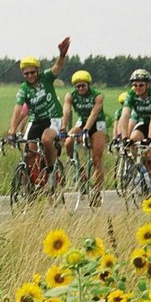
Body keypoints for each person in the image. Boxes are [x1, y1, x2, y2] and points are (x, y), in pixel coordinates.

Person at [5, 37, 71, 178]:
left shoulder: (46, 77)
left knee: (46, 140)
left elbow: (57, 67)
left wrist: (62, 55)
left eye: (32, 72)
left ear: (37, 71)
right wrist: (12, 129)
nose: (30, 76)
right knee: (29, 152)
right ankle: (31, 186)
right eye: (26, 73)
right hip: (36, 120)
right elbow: (18, 108)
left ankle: (51, 169)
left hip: (52, 117)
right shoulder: (24, 88)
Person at [60, 69, 106, 202]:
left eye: (83, 86)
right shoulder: (70, 95)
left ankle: (97, 191)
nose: (80, 88)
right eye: (77, 86)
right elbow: (67, 111)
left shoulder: (97, 95)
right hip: (82, 121)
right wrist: (63, 127)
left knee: (97, 158)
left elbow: (94, 114)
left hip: (97, 123)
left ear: (88, 85)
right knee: (69, 141)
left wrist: (86, 130)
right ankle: (78, 170)